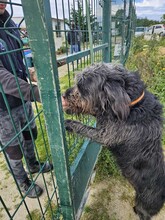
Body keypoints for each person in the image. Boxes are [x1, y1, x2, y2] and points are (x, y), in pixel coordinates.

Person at [0, 0, 53, 198]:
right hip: (2, 106)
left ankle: (32, 164)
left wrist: (30, 73)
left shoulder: (9, 23)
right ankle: (22, 181)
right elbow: (1, 76)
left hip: (22, 99)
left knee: (30, 133)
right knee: (14, 148)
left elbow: (17, 60)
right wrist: (37, 93)